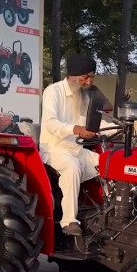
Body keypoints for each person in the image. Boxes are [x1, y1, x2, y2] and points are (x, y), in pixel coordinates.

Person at [40, 53, 102, 236]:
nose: (89, 82)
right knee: (72, 166)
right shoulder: (53, 91)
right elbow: (50, 123)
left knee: (106, 163)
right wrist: (77, 129)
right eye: (86, 77)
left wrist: (117, 126)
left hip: (76, 148)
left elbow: (91, 123)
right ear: (75, 75)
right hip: (53, 149)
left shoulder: (84, 97)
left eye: (92, 77)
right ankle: (68, 222)